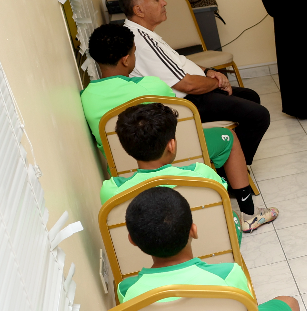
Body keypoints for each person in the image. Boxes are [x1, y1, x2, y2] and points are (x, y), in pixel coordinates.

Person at [82, 23, 272, 227]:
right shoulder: (152, 86)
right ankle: (250, 214)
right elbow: (180, 122)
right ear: (126, 59)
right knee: (229, 139)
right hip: (172, 156)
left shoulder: (87, 98)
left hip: (124, 169)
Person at [116, 186, 298, 311]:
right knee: (290, 305)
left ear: (132, 240)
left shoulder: (127, 290)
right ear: (193, 230)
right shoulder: (228, 274)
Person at [117, 0, 272, 163]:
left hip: (191, 94)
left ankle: (230, 158)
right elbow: (187, 84)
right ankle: (230, 171)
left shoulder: (145, 33)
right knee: (259, 115)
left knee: (249, 96)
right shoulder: (141, 41)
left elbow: (179, 63)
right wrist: (217, 82)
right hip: (184, 103)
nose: (164, 2)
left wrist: (208, 72)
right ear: (139, 10)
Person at [100, 103, 277, 232]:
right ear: (171, 145)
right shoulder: (202, 174)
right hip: (209, 245)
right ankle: (249, 214)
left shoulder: (111, 190)